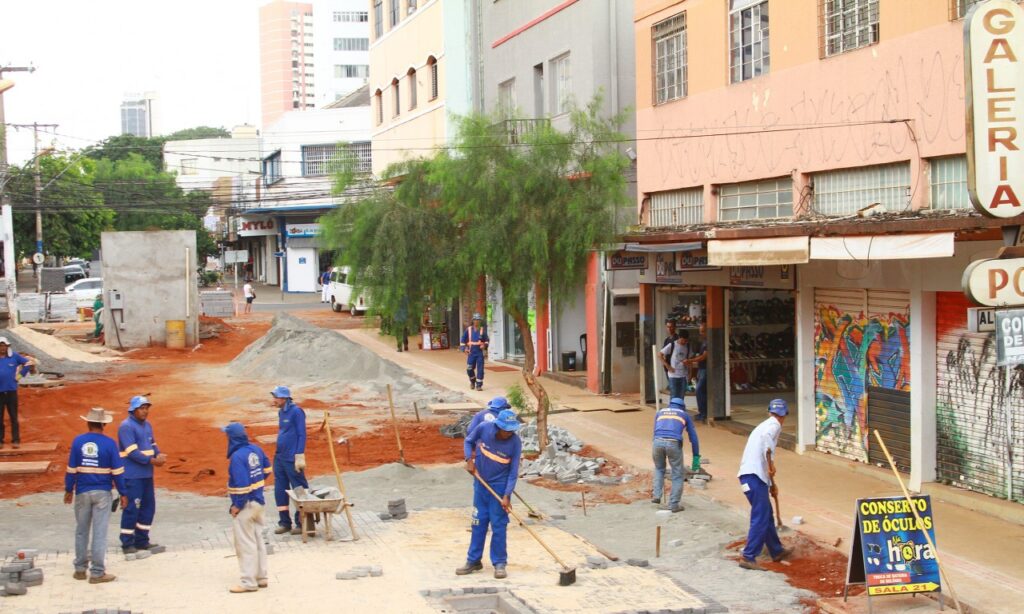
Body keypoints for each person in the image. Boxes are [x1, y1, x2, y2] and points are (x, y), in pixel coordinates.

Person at [457, 409, 522, 580]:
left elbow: (513, 471)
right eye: (506, 429)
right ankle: (473, 560)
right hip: (481, 483)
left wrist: (507, 495)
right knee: (478, 522)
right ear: (498, 426)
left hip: (499, 487)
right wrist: (468, 460)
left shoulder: (515, 442)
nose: (508, 433)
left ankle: (500, 563)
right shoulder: (484, 428)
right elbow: (468, 441)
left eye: (511, 430)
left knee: (499, 525)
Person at [65, 407, 127, 584]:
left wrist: (69, 489)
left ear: (88, 423)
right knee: (99, 533)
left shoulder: (78, 442)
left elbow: (71, 469)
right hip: (102, 493)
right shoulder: (109, 444)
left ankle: (79, 569)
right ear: (103, 424)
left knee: (81, 530)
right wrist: (123, 493)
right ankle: (97, 572)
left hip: (82, 492)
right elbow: (117, 471)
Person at [737, 398, 793, 571]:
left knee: (766, 514)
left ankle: (776, 550)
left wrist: (770, 485)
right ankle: (748, 556)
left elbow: (763, 458)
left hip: (752, 477)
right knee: (760, 517)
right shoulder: (773, 425)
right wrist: (771, 463)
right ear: (784, 416)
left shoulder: (764, 424)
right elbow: (766, 445)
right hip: (753, 476)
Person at [223, 422, 271, 593]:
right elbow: (267, 468)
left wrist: (237, 505)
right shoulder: (255, 449)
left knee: (246, 544)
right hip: (259, 501)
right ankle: (262, 577)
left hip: (246, 505)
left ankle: (248, 582)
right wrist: (257, 483)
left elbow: (242, 485)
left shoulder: (237, 457)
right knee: (258, 540)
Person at [271, 386, 309, 535]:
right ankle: (284, 522)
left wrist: (299, 455)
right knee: (280, 489)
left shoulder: (296, 412)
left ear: (284, 398)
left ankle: (302, 522)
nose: (274, 400)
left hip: (291, 458)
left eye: (276, 397)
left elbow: (302, 434)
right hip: (280, 457)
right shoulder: (281, 412)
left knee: (299, 488)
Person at [651, 397, 700, 512]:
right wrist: (696, 458)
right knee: (677, 474)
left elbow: (655, 431)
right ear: (683, 407)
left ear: (669, 405)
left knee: (659, 469)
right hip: (673, 444)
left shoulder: (660, 412)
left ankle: (657, 495)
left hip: (657, 442)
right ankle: (673, 504)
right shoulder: (684, 414)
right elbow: (693, 438)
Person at [0, 336, 34, 450]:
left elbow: (28, 363)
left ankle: (15, 440)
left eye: (4, 345)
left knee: (13, 417)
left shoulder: (14, 356)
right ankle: (0, 441)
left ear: (7, 346)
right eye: (0, 346)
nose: (2, 348)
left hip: (11, 392)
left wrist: (19, 376)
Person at [460, 313, 489, 391]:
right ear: (473, 321)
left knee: (480, 369)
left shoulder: (482, 330)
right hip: (471, 352)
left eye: (478, 320)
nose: (477, 322)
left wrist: (484, 346)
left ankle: (479, 385)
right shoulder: (468, 330)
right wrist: (464, 348)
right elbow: (463, 340)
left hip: (479, 353)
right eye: (475, 320)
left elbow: (486, 341)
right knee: (469, 368)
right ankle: (472, 381)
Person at [659, 330, 690, 401]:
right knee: (674, 396)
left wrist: (690, 374)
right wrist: (668, 366)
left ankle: (680, 410)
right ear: (679, 337)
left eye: (686, 341)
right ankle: (673, 410)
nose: (684, 342)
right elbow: (660, 354)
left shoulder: (688, 346)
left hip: (683, 376)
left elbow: (690, 359)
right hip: (673, 376)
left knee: (681, 397)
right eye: (683, 340)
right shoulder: (672, 345)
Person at [688, 324, 709, 422]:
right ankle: (703, 413)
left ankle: (703, 413)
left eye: (703, 331)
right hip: (701, 368)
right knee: (701, 391)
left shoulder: (708, 342)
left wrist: (691, 361)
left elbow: (704, 357)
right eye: (700, 331)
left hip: (705, 369)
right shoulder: (703, 342)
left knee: (699, 390)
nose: (701, 333)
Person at [661, 319, 678, 389]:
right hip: (667, 366)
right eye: (668, 327)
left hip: (675, 367)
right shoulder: (667, 339)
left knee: (675, 387)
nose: (669, 329)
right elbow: (662, 353)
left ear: (675, 327)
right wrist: (664, 362)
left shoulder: (677, 339)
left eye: (671, 327)